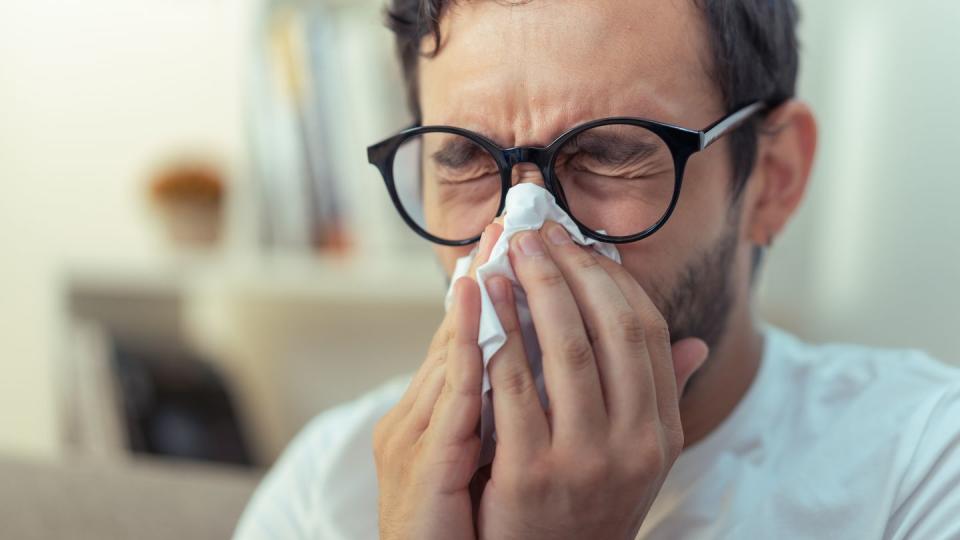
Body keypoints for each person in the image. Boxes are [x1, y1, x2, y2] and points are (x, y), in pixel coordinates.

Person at [235, 1, 960, 538]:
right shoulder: (328, 486)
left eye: (611, 153)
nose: (520, 234)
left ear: (773, 177)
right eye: (463, 158)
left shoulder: (921, 469)